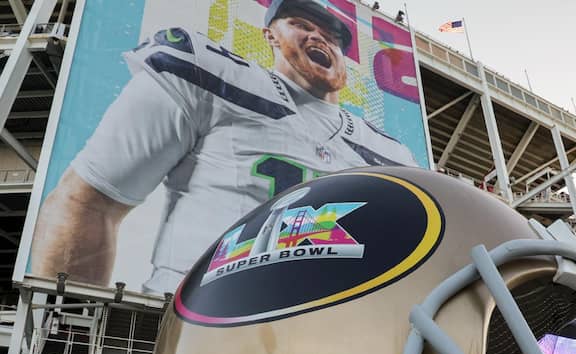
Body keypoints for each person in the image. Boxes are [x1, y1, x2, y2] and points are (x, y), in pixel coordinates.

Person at [30, 0, 417, 294]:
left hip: (329, 339)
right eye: (301, 25)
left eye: (331, 37)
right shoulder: (210, 73)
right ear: (271, 36)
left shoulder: (391, 154)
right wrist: (72, 332)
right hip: (198, 332)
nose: (319, 38)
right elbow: (88, 201)